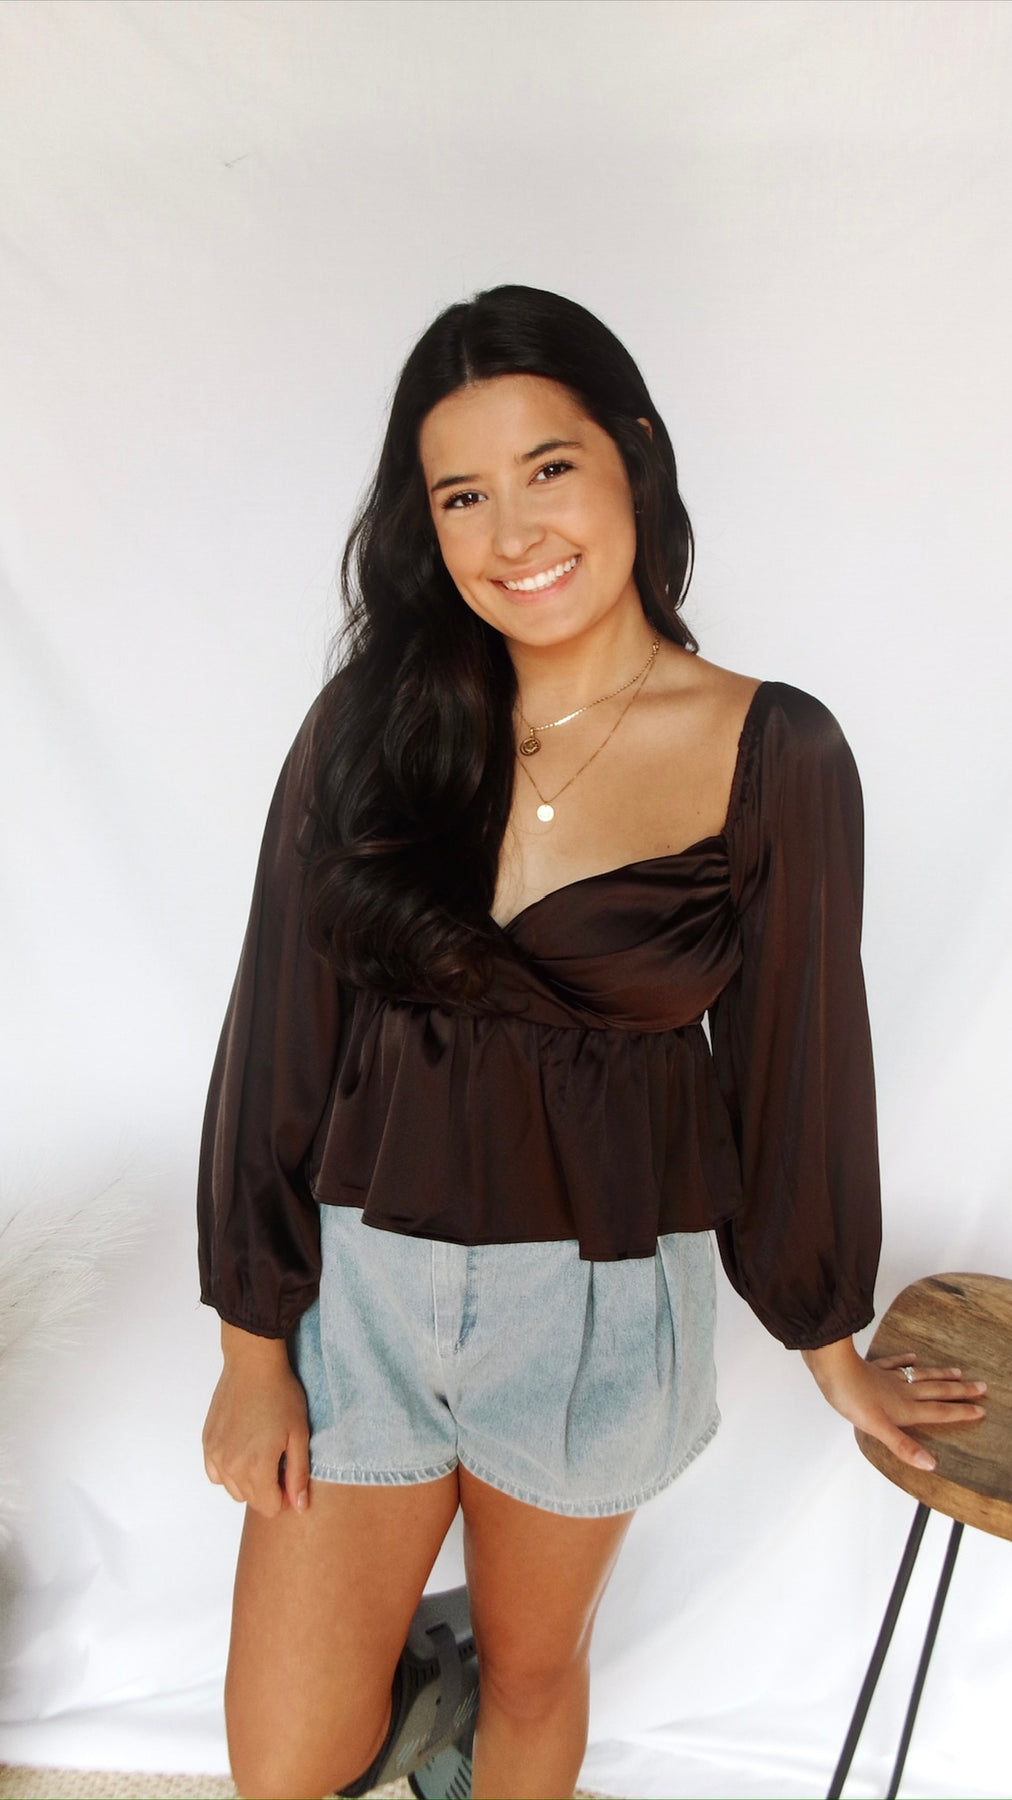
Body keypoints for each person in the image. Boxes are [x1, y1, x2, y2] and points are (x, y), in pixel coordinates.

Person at [197, 285, 987, 1800]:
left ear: (634, 453)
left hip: (602, 1309)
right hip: (361, 1298)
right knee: (284, 1766)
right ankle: (420, 1701)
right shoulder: (371, 724)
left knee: (535, 1670)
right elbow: (274, 1046)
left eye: (548, 468)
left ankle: (472, 1700)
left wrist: (832, 1348)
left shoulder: (775, 749)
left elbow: (799, 1066)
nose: (514, 533)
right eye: (462, 496)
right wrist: (250, 1347)